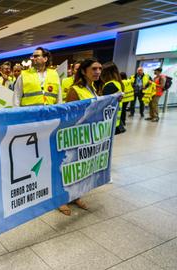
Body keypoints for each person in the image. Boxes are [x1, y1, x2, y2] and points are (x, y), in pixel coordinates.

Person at [62, 58, 103, 215]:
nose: (98, 71)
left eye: (99, 68)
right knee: (68, 167)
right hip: (75, 136)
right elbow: (69, 116)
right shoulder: (75, 90)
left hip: (88, 136)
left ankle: (76, 195)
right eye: (94, 69)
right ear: (84, 71)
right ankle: (62, 200)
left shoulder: (93, 89)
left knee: (80, 168)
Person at [100, 62, 125, 134]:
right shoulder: (118, 83)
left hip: (109, 122)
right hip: (116, 120)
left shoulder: (109, 86)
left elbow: (104, 105)